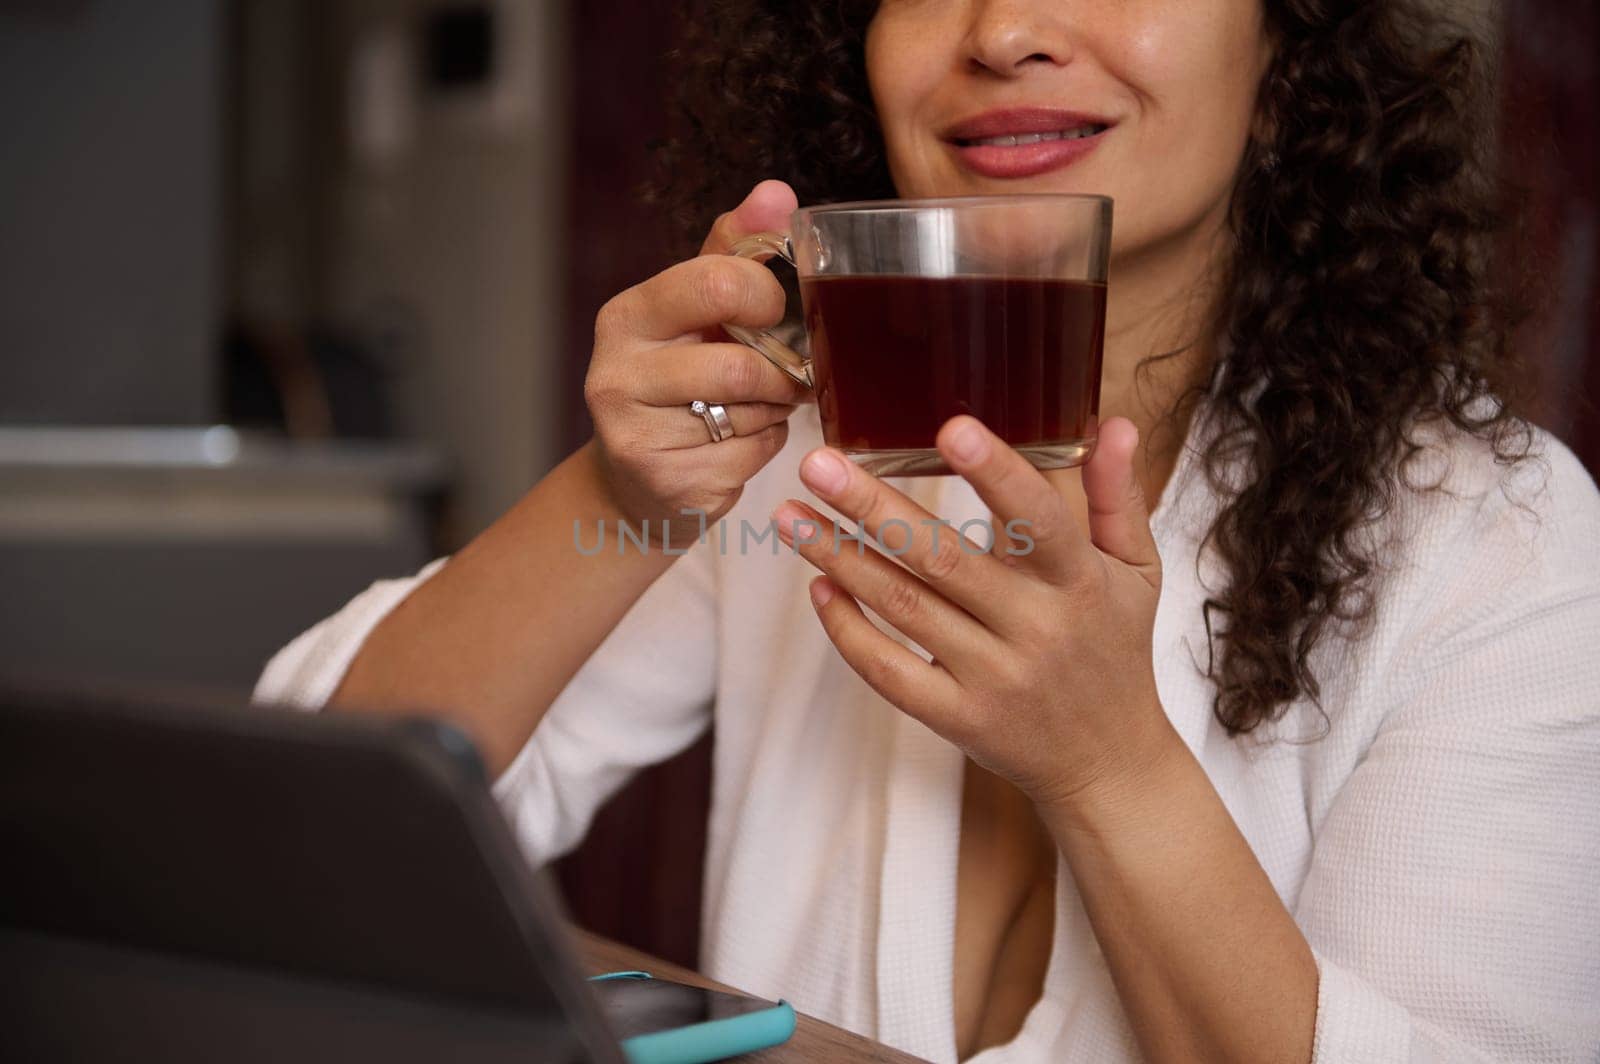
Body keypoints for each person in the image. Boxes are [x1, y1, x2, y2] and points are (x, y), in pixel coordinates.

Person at [255, 1, 1600, 1061]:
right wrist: (616, 501)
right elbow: (308, 830)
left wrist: (1110, 767)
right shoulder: (814, 453)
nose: (1001, 27)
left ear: (1288, 47)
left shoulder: (1497, 546)